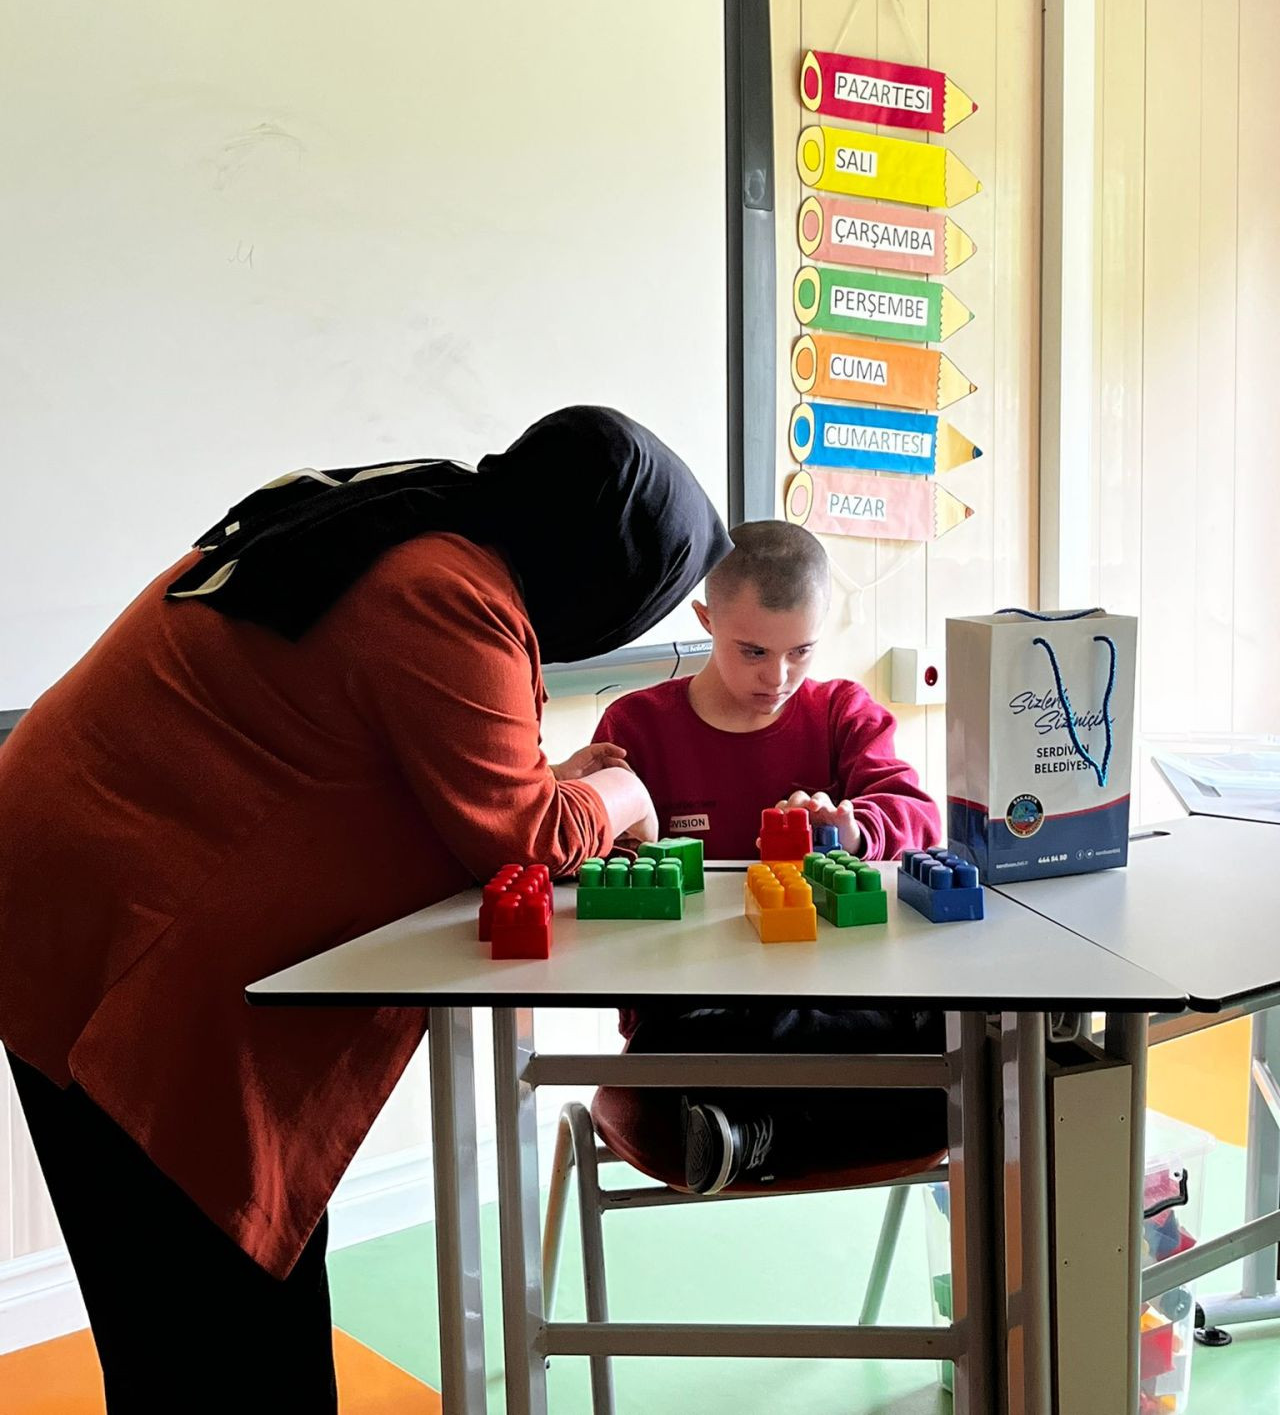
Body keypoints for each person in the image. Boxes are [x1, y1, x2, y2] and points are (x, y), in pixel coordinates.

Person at [0, 406, 726, 1412]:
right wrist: (620, 796)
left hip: (61, 895)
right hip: (122, 937)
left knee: (188, 1287)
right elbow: (522, 837)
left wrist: (556, 785)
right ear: (605, 573)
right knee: (203, 1303)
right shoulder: (446, 598)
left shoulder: (407, 526)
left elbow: (381, 751)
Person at [594, 520, 946, 1195]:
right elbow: (603, 886)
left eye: (800, 651)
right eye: (753, 649)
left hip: (837, 1002)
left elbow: (918, 815)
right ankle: (751, 1124)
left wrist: (854, 828)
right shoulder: (635, 728)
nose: (777, 676)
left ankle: (751, 1133)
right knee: (691, 1042)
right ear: (705, 618)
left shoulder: (843, 710)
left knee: (951, 1034)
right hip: (699, 1011)